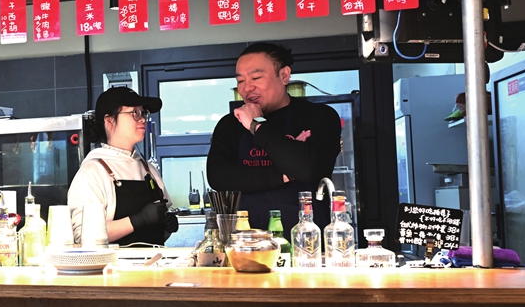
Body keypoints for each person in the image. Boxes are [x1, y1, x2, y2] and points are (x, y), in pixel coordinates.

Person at [206, 42, 342, 233]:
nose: (247, 88)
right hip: (246, 241)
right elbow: (219, 176)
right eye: (240, 81)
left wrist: (256, 125)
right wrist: (285, 173)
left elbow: (307, 168)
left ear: (284, 75)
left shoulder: (318, 116)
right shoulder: (230, 124)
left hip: (306, 238)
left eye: (256, 77)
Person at [68, 87, 179, 246]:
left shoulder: (148, 170)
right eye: (135, 112)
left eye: (143, 113)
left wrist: (166, 226)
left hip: (154, 266)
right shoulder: (93, 172)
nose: (142, 119)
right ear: (109, 121)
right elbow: (83, 235)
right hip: (114, 269)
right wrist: (137, 220)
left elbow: (154, 235)